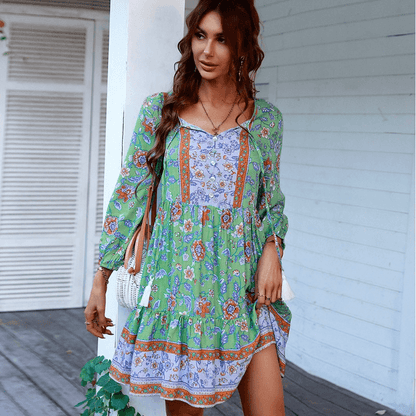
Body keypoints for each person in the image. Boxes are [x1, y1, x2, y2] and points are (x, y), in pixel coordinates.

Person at [84, 0, 291, 415]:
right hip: (180, 296)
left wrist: (273, 247)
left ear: (242, 48)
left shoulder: (266, 121)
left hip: (245, 295)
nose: (207, 51)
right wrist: (101, 276)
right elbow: (130, 195)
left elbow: (270, 203)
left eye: (221, 40)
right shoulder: (161, 112)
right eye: (200, 36)